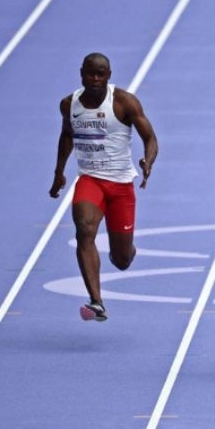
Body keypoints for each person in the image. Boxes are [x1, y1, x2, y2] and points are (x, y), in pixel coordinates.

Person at [49, 52, 158, 322]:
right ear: (81, 73)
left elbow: (150, 137)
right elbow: (66, 135)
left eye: (101, 74)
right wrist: (59, 173)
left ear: (109, 75)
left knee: (121, 260)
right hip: (90, 179)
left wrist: (148, 161)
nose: (95, 79)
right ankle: (96, 302)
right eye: (91, 73)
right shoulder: (69, 104)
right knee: (84, 229)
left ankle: (126, 249)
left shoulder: (123, 102)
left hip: (120, 185)